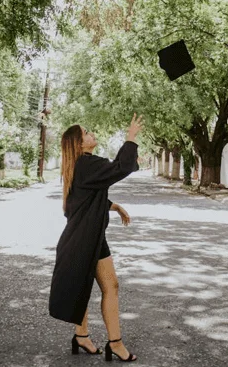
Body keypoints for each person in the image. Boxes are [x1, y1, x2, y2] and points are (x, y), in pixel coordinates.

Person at [48, 113, 144, 362]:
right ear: (79, 144)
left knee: (107, 286)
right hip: (82, 241)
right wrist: (131, 138)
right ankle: (114, 343)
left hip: (88, 238)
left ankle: (86, 337)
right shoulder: (86, 164)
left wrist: (114, 206)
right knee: (99, 287)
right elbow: (119, 168)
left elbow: (86, 198)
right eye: (86, 133)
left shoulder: (80, 166)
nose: (91, 134)